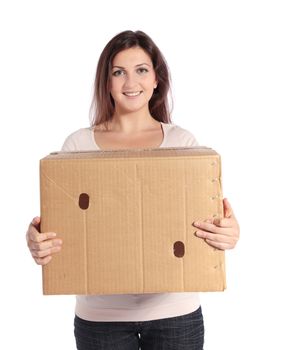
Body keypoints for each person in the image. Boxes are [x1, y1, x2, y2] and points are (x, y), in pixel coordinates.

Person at [26, 30, 240, 350]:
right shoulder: (78, 146)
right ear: (107, 82)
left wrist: (229, 234)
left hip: (175, 314)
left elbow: (206, 220)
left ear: (156, 79)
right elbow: (62, 228)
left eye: (141, 70)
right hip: (101, 318)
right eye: (118, 72)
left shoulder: (183, 144)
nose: (130, 82)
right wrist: (36, 241)